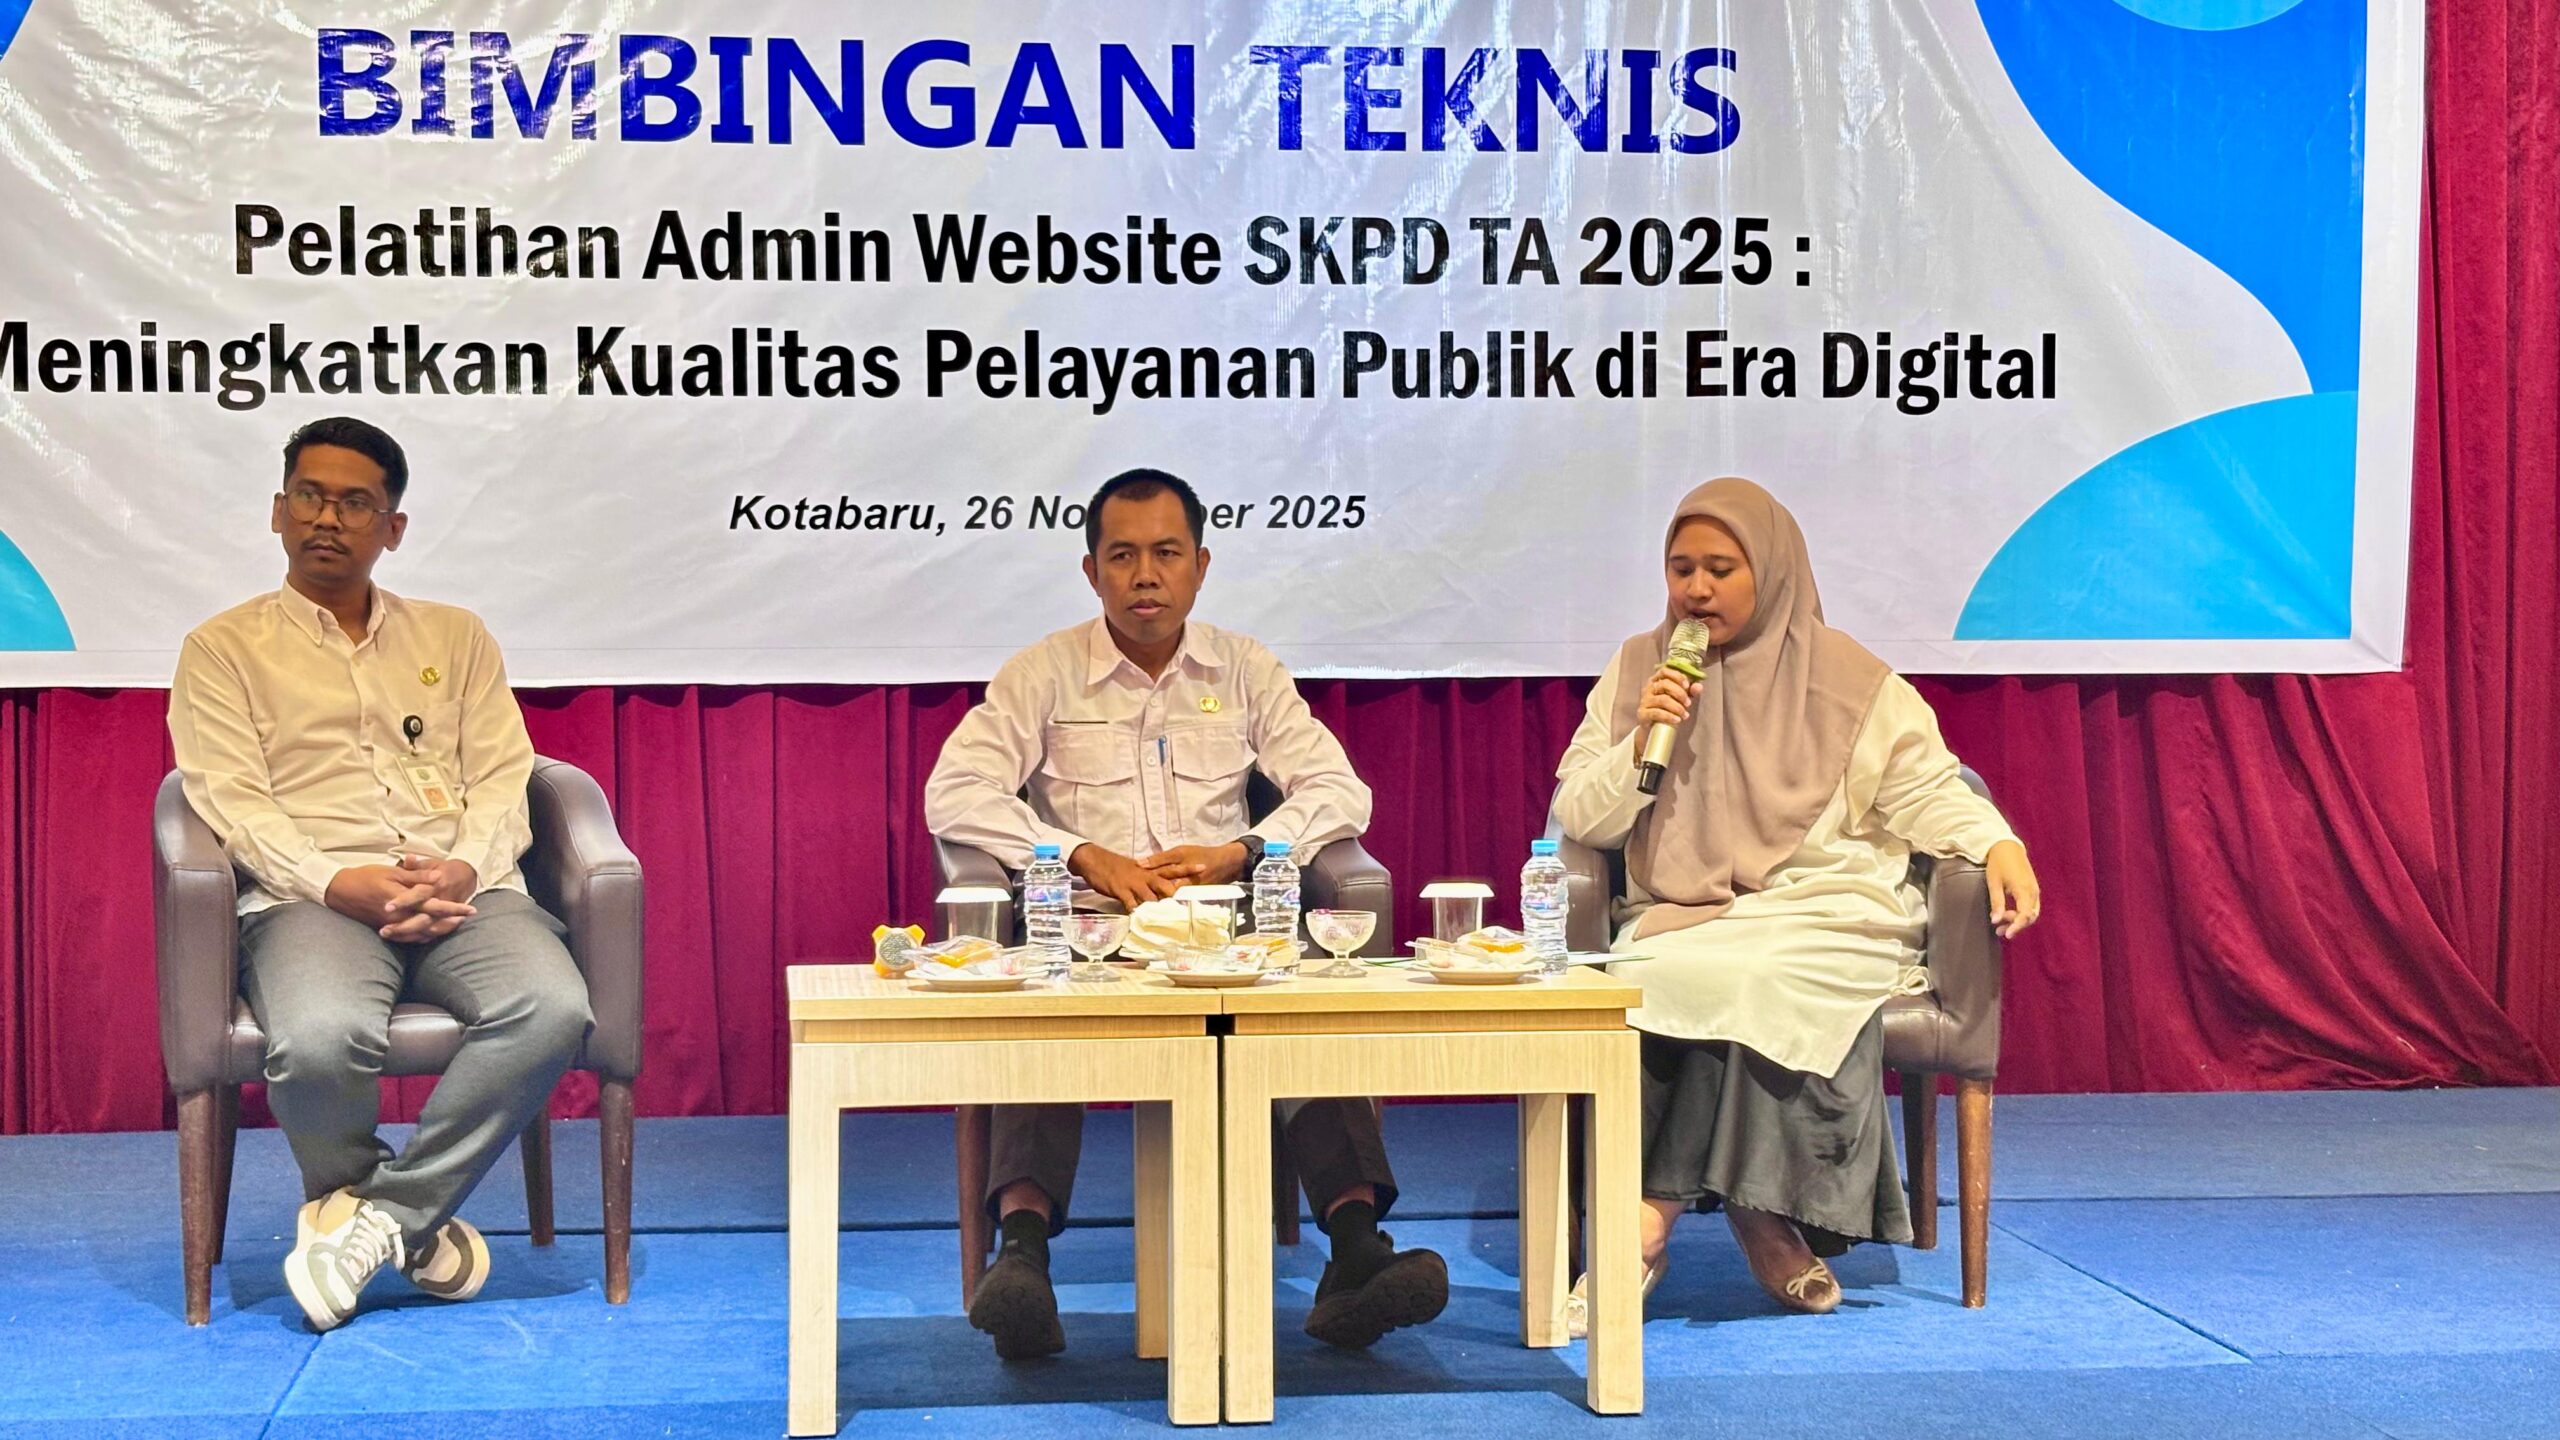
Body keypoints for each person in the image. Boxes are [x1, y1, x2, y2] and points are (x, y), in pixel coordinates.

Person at [923, 466, 1447, 1359]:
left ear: (1201, 566)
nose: (1145, 576)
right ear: (1091, 571)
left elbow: (1338, 788)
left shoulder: (1243, 669)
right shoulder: (1044, 671)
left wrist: (1242, 850)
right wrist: (1077, 853)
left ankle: (1357, 1252)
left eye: (1166, 554)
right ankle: (1022, 1261)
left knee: (1301, 1006)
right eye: (1122, 556)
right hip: (1088, 930)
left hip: (1221, 932)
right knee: (1041, 1005)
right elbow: (955, 791)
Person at [1551, 477, 2041, 1323]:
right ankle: (1762, 1218)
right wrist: (1640, 742)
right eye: (1681, 568)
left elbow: (1929, 790)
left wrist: (1999, 842)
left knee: (1754, 975)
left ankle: (1644, 1224)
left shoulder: (1853, 680)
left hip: (1828, 905)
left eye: (1721, 569)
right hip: (1691, 910)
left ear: (1771, 570)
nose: (1696, 590)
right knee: (1657, 977)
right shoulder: (1638, 669)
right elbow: (1580, 815)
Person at [167, 416, 592, 1332]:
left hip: (462, 891)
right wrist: (335, 882)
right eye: (310, 497)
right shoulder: (221, 648)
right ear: (278, 511)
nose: (328, 518)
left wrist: (463, 869)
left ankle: (381, 1220)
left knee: (553, 1008)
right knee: (318, 1040)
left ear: (392, 528)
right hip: (309, 897)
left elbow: (504, 776)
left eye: (355, 503)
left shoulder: (457, 635)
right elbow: (232, 801)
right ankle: (403, 1216)